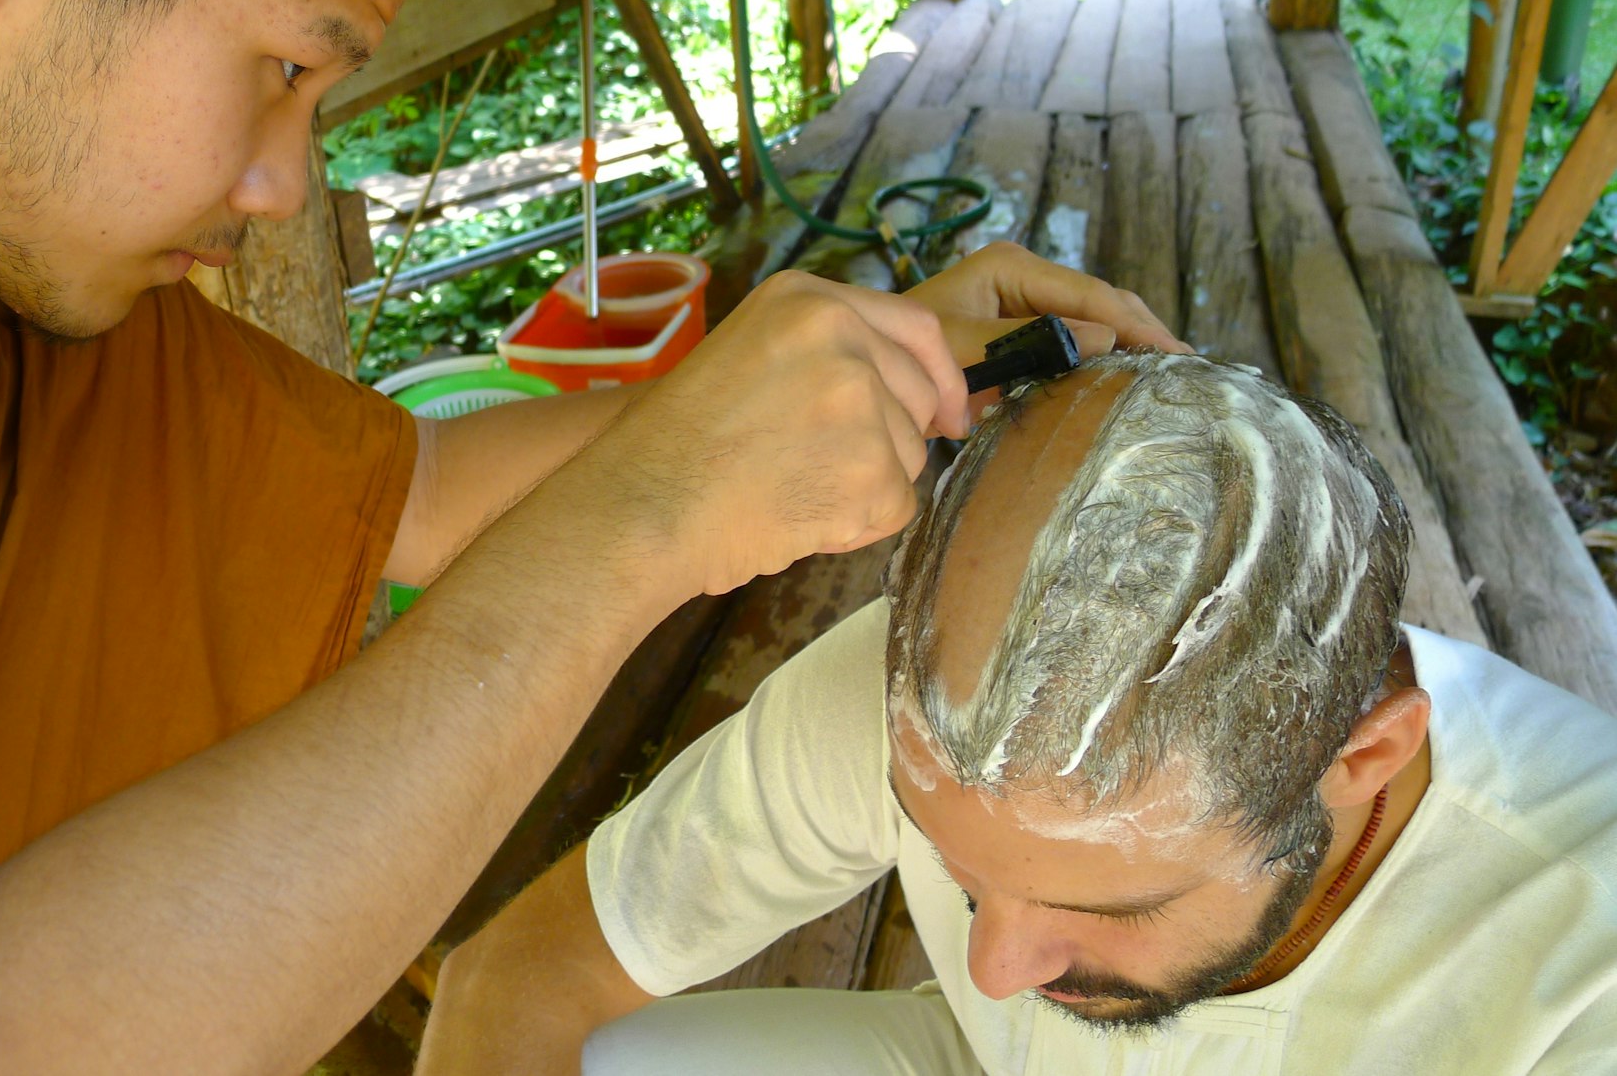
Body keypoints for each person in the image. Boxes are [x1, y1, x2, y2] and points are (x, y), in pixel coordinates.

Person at [0, 0, 1185, 1069]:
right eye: (290, 63)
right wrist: (638, 528)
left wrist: (874, 352)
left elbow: (410, 493)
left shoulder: (7, 310)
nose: (283, 180)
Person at [421, 354, 1617, 1074]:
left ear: (1364, 755)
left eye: (1106, 899)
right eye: (956, 869)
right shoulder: (908, 701)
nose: (993, 965)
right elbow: (518, 976)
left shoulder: (1584, 970)